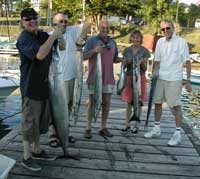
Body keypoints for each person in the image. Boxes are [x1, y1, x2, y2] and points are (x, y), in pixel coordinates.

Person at [16, 8, 65, 171]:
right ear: (22, 22)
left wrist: (60, 33)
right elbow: (40, 55)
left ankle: (36, 150)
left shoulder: (42, 35)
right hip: (31, 88)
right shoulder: (24, 38)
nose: (32, 21)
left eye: (34, 17)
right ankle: (26, 156)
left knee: (41, 122)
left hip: (46, 86)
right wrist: (53, 35)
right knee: (29, 123)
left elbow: (62, 47)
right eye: (27, 19)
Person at [144, 19, 192, 146]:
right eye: (163, 29)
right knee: (157, 103)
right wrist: (153, 73)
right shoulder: (160, 41)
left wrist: (188, 80)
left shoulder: (181, 42)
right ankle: (157, 128)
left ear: (173, 28)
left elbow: (187, 62)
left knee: (175, 106)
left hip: (175, 79)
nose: (165, 31)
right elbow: (157, 60)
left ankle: (177, 133)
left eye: (168, 28)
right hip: (160, 77)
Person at [49, 12, 91, 147]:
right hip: (58, 79)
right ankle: (54, 135)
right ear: (54, 22)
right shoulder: (50, 36)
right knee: (56, 108)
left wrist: (80, 39)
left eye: (66, 21)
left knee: (68, 107)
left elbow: (88, 24)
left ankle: (65, 133)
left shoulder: (72, 31)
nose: (64, 24)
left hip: (73, 76)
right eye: (61, 21)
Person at [83, 19, 121, 139]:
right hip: (94, 77)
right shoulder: (91, 41)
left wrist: (124, 60)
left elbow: (115, 58)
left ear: (109, 29)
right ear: (99, 28)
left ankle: (103, 127)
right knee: (91, 103)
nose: (105, 30)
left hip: (108, 77)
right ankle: (88, 127)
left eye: (107, 28)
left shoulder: (113, 42)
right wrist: (94, 50)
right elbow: (83, 56)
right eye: (103, 28)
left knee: (107, 103)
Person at [121, 30, 150, 134]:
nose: (135, 39)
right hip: (129, 77)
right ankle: (127, 124)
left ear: (141, 39)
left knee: (139, 101)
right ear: (131, 39)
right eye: (133, 37)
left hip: (140, 78)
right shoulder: (126, 50)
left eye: (138, 37)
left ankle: (136, 125)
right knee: (129, 102)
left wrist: (141, 63)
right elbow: (123, 66)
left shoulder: (144, 51)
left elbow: (145, 68)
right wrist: (126, 62)